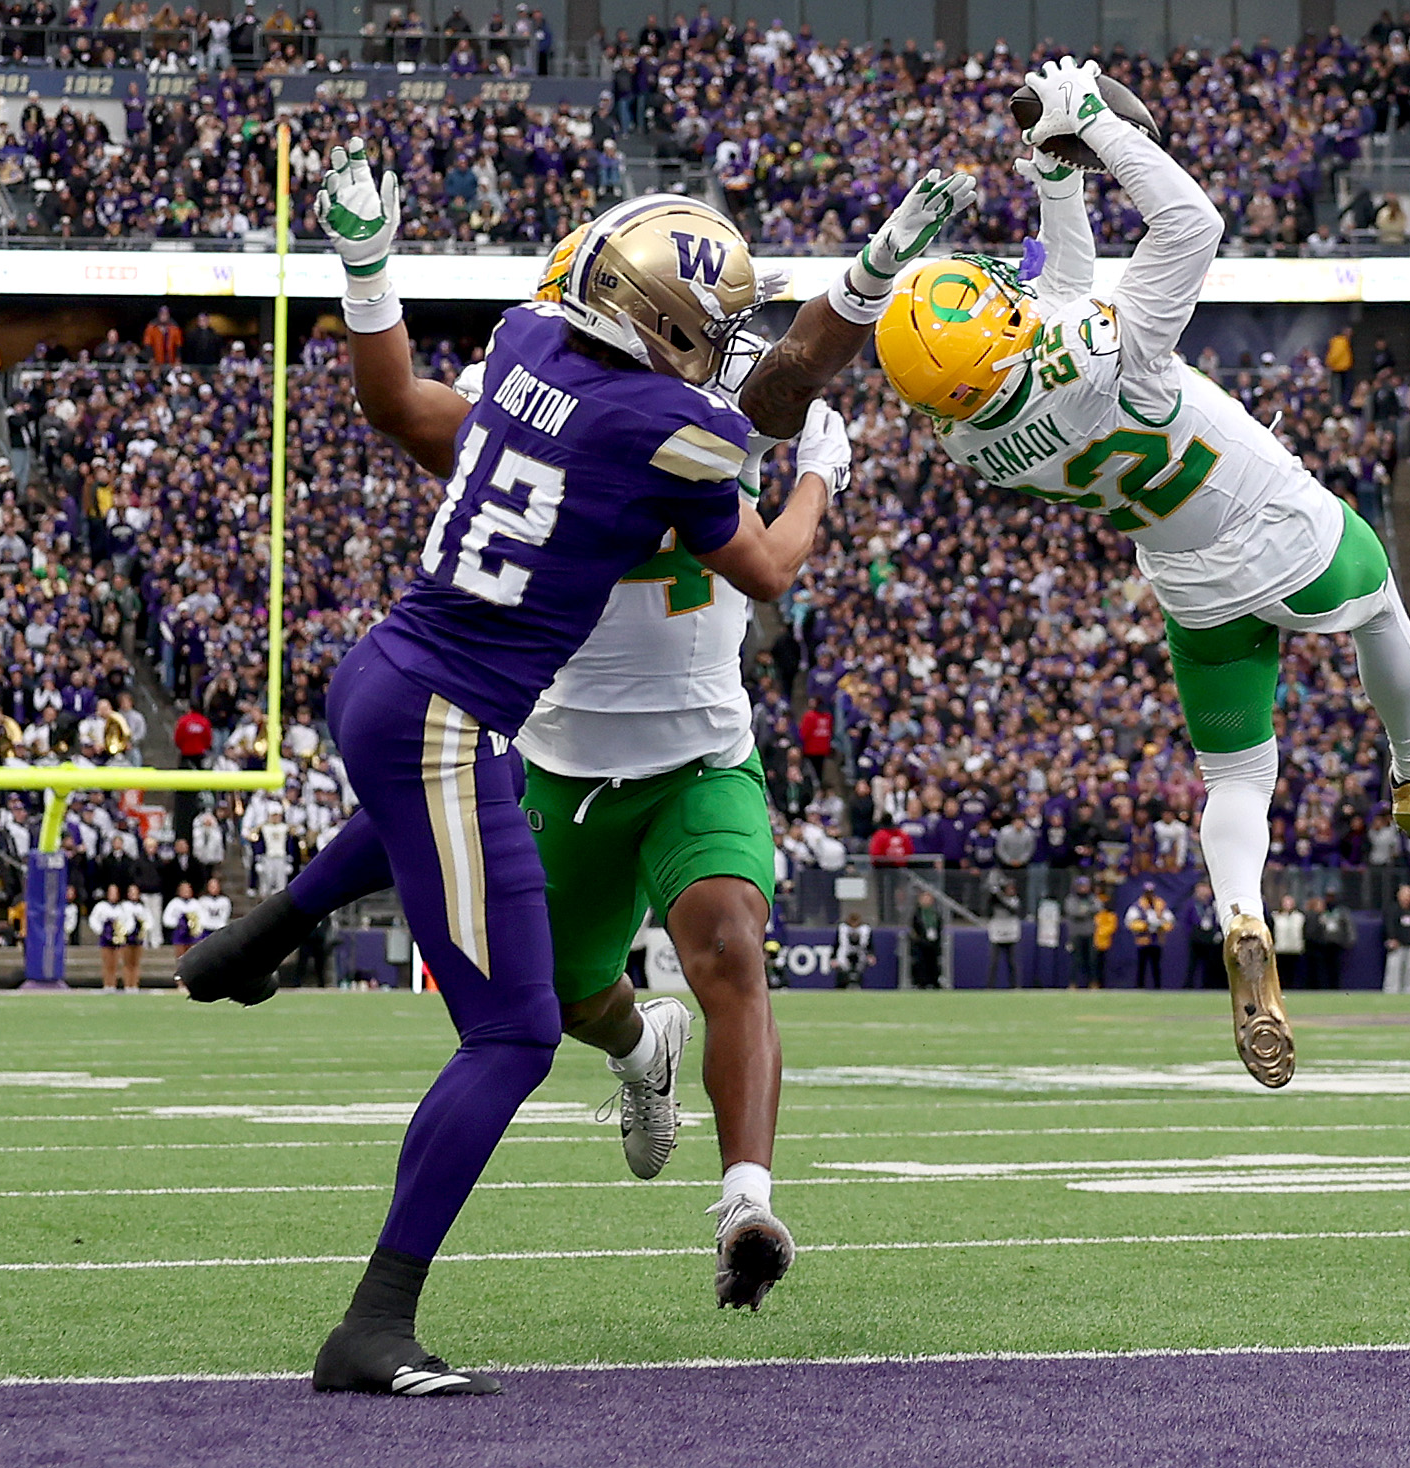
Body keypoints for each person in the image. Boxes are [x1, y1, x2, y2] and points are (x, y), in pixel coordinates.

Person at [178, 158, 872, 1391]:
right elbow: (767, 565)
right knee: (509, 1033)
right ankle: (372, 1325)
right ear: (656, 323)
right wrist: (822, 468)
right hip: (453, 715)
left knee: (436, 840)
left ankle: (263, 936)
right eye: (704, 332)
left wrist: (366, 264)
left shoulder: (520, 350)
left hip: (388, 675)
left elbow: (398, 394)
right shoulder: (668, 431)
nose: (718, 353)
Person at [868, 60, 1410, 1088]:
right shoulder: (1097, 345)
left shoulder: (965, 440)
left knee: (1233, 776)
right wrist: (1099, 130)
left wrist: (1054, 178)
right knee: (1381, 606)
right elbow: (1189, 227)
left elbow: (1045, 301)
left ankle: (1240, 911)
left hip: (1182, 571)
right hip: (1274, 519)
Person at [1124, 885, 1169, 988]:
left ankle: (1158, 987)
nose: (1149, 894)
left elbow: (1170, 920)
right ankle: (1140, 987)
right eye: (1147, 892)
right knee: (1141, 967)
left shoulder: (1160, 904)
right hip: (1143, 940)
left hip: (1157, 940)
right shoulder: (1137, 906)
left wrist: (1160, 926)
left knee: (1156, 967)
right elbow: (1130, 922)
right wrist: (1145, 925)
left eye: (1151, 892)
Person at [1382, 883, 1410, 993]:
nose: (1406, 898)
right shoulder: (1392, 909)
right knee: (1394, 972)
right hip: (1397, 946)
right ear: (1399, 895)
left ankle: (1409, 994)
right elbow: (1389, 925)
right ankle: (1391, 994)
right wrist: (1391, 938)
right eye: (1404, 895)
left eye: (1409, 895)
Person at [1308, 895, 1355, 989]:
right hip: (1321, 946)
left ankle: (1333, 987)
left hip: (1335, 944)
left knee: (1335, 968)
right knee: (1320, 969)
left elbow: (1348, 928)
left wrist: (1348, 941)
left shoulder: (1340, 913)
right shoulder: (1317, 916)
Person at [88, 883, 127, 991]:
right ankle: (107, 984)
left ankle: (114, 984)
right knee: (107, 962)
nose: (113, 895)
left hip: (118, 937)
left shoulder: (122, 907)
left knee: (116, 962)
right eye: (111, 893)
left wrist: (122, 933)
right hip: (106, 937)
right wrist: (101, 931)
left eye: (115, 893)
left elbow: (127, 921)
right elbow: (93, 919)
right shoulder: (101, 906)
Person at [1187, 881, 1225, 989]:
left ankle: (1208, 986)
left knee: (1210, 965)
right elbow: (1187, 921)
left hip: (1209, 938)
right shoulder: (1192, 904)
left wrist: (1217, 932)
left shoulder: (1212, 904)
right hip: (1196, 937)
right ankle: (1189, 986)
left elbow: (1217, 919)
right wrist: (1192, 933)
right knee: (1192, 965)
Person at [984, 878, 1021, 988]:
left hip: (1011, 934)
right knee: (993, 962)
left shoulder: (1015, 900)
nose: (1011, 890)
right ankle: (990, 986)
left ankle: (1014, 986)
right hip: (998, 934)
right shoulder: (996, 902)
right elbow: (987, 911)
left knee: (1012, 962)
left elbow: (1012, 910)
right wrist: (992, 896)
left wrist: (999, 897)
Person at [1064, 875, 1100, 988]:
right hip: (1076, 933)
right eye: (1081, 886)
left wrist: (1085, 911)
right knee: (1076, 960)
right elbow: (1073, 911)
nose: (1083, 888)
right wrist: (1087, 911)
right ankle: (1073, 984)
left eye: (1086, 886)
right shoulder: (1071, 898)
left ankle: (1093, 983)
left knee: (1092, 960)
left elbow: (1098, 907)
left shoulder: (1092, 898)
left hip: (1089, 932)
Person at [907, 887, 943, 989]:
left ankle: (934, 982)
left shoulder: (935, 913)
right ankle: (921, 982)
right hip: (921, 943)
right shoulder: (917, 913)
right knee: (921, 963)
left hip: (933, 943)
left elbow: (939, 926)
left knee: (933, 963)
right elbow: (913, 927)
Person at [832, 911, 875, 988]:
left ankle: (859, 985)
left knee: (859, 970)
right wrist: (833, 957)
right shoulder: (843, 928)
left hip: (861, 954)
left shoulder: (865, 929)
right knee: (842, 972)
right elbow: (836, 943)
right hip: (844, 952)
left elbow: (869, 944)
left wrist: (871, 954)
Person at [1270, 893, 1305, 986]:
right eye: (1285, 902)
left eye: (1290, 902)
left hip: (1295, 949)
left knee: (1293, 973)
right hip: (1280, 949)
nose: (1287, 905)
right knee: (1281, 973)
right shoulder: (1276, 916)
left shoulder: (1299, 917)